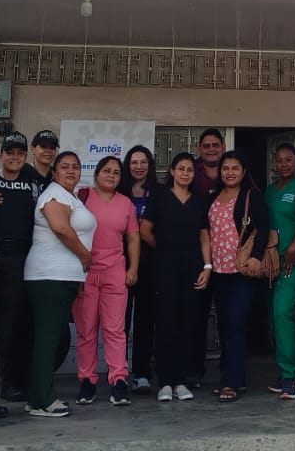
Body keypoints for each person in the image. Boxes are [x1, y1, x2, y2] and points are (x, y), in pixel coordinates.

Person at [24, 150, 95, 417]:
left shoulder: (70, 196)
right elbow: (61, 228)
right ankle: (42, 400)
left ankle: (38, 396)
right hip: (48, 276)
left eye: (75, 167)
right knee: (48, 338)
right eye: (64, 167)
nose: (71, 171)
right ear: (54, 172)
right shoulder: (54, 194)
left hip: (63, 277)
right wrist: (85, 255)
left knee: (51, 338)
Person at [141, 152, 211, 402]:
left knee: (188, 323)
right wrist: (164, 247)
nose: (185, 173)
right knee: (165, 322)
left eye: (189, 170)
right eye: (181, 168)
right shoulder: (159, 197)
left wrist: (207, 266)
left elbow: (204, 236)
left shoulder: (198, 201)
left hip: (192, 265)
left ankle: (181, 381)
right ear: (172, 171)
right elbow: (145, 230)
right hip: (165, 266)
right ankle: (165, 382)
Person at [0, 130, 43, 404]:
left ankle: (9, 382)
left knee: (13, 324)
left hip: (21, 260)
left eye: (20, 153)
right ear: (0, 155)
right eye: (10, 152)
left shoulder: (33, 181)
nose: (15, 157)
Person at [74, 155, 141, 408]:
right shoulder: (82, 197)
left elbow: (133, 238)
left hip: (115, 272)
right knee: (86, 330)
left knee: (115, 329)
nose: (111, 175)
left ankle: (119, 379)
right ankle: (87, 381)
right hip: (85, 272)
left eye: (116, 172)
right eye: (106, 171)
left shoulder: (125, 203)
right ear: (96, 173)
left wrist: (132, 268)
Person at [207, 150, 269, 402]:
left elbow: (263, 228)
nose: (230, 173)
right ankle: (233, 378)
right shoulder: (212, 197)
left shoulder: (251, 195)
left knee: (235, 324)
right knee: (224, 325)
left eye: (235, 168)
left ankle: (231, 382)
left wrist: (256, 256)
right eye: (225, 168)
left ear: (243, 172)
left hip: (242, 271)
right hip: (218, 272)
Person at [265, 141, 295, 400]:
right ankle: (289, 371)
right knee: (276, 315)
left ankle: (291, 376)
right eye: (279, 160)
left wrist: (292, 250)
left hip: (291, 262)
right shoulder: (269, 191)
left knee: (282, 312)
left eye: (288, 159)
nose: (283, 164)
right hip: (270, 262)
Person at [189, 127, 225, 386]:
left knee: (229, 317)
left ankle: (230, 372)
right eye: (206, 145)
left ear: (222, 147)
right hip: (195, 256)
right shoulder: (190, 172)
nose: (211, 149)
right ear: (199, 149)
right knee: (195, 316)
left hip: (228, 256)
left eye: (215, 145)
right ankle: (194, 370)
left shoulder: (233, 170)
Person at [124, 145, 159, 394]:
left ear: (150, 165)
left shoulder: (159, 192)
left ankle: (142, 373)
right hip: (120, 262)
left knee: (145, 320)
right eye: (134, 162)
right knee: (120, 321)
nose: (139, 167)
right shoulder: (118, 191)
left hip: (150, 263)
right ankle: (118, 372)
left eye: (143, 162)